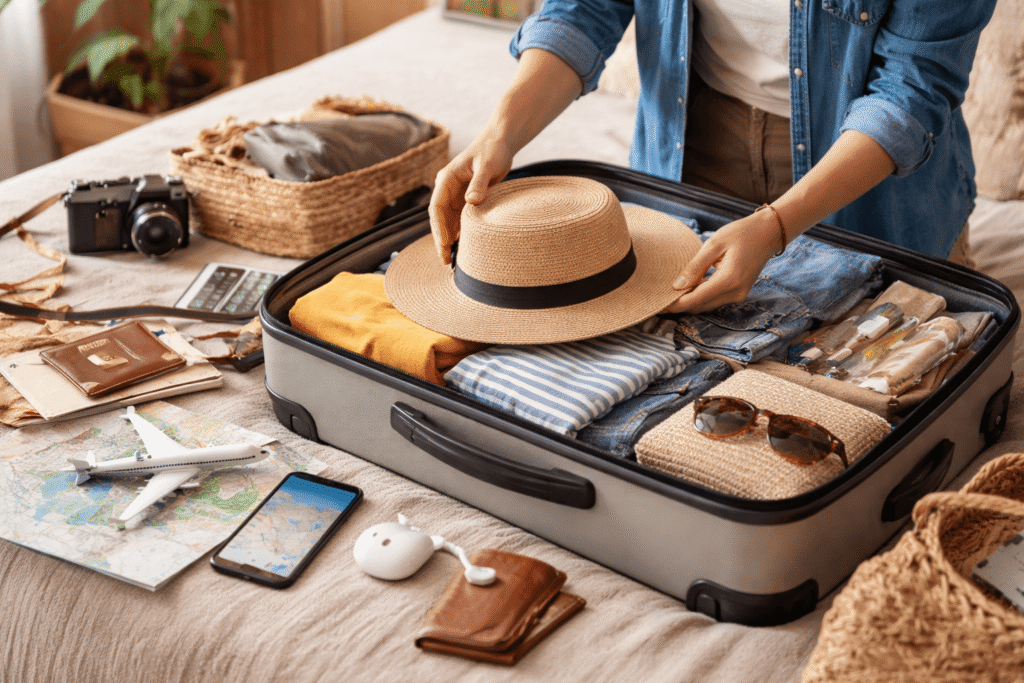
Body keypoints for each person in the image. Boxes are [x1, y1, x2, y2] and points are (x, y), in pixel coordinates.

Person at [427, 0, 996, 314]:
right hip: (690, 147)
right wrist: (497, 135)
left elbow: (910, 94)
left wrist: (775, 227)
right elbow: (584, 9)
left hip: (868, 186)